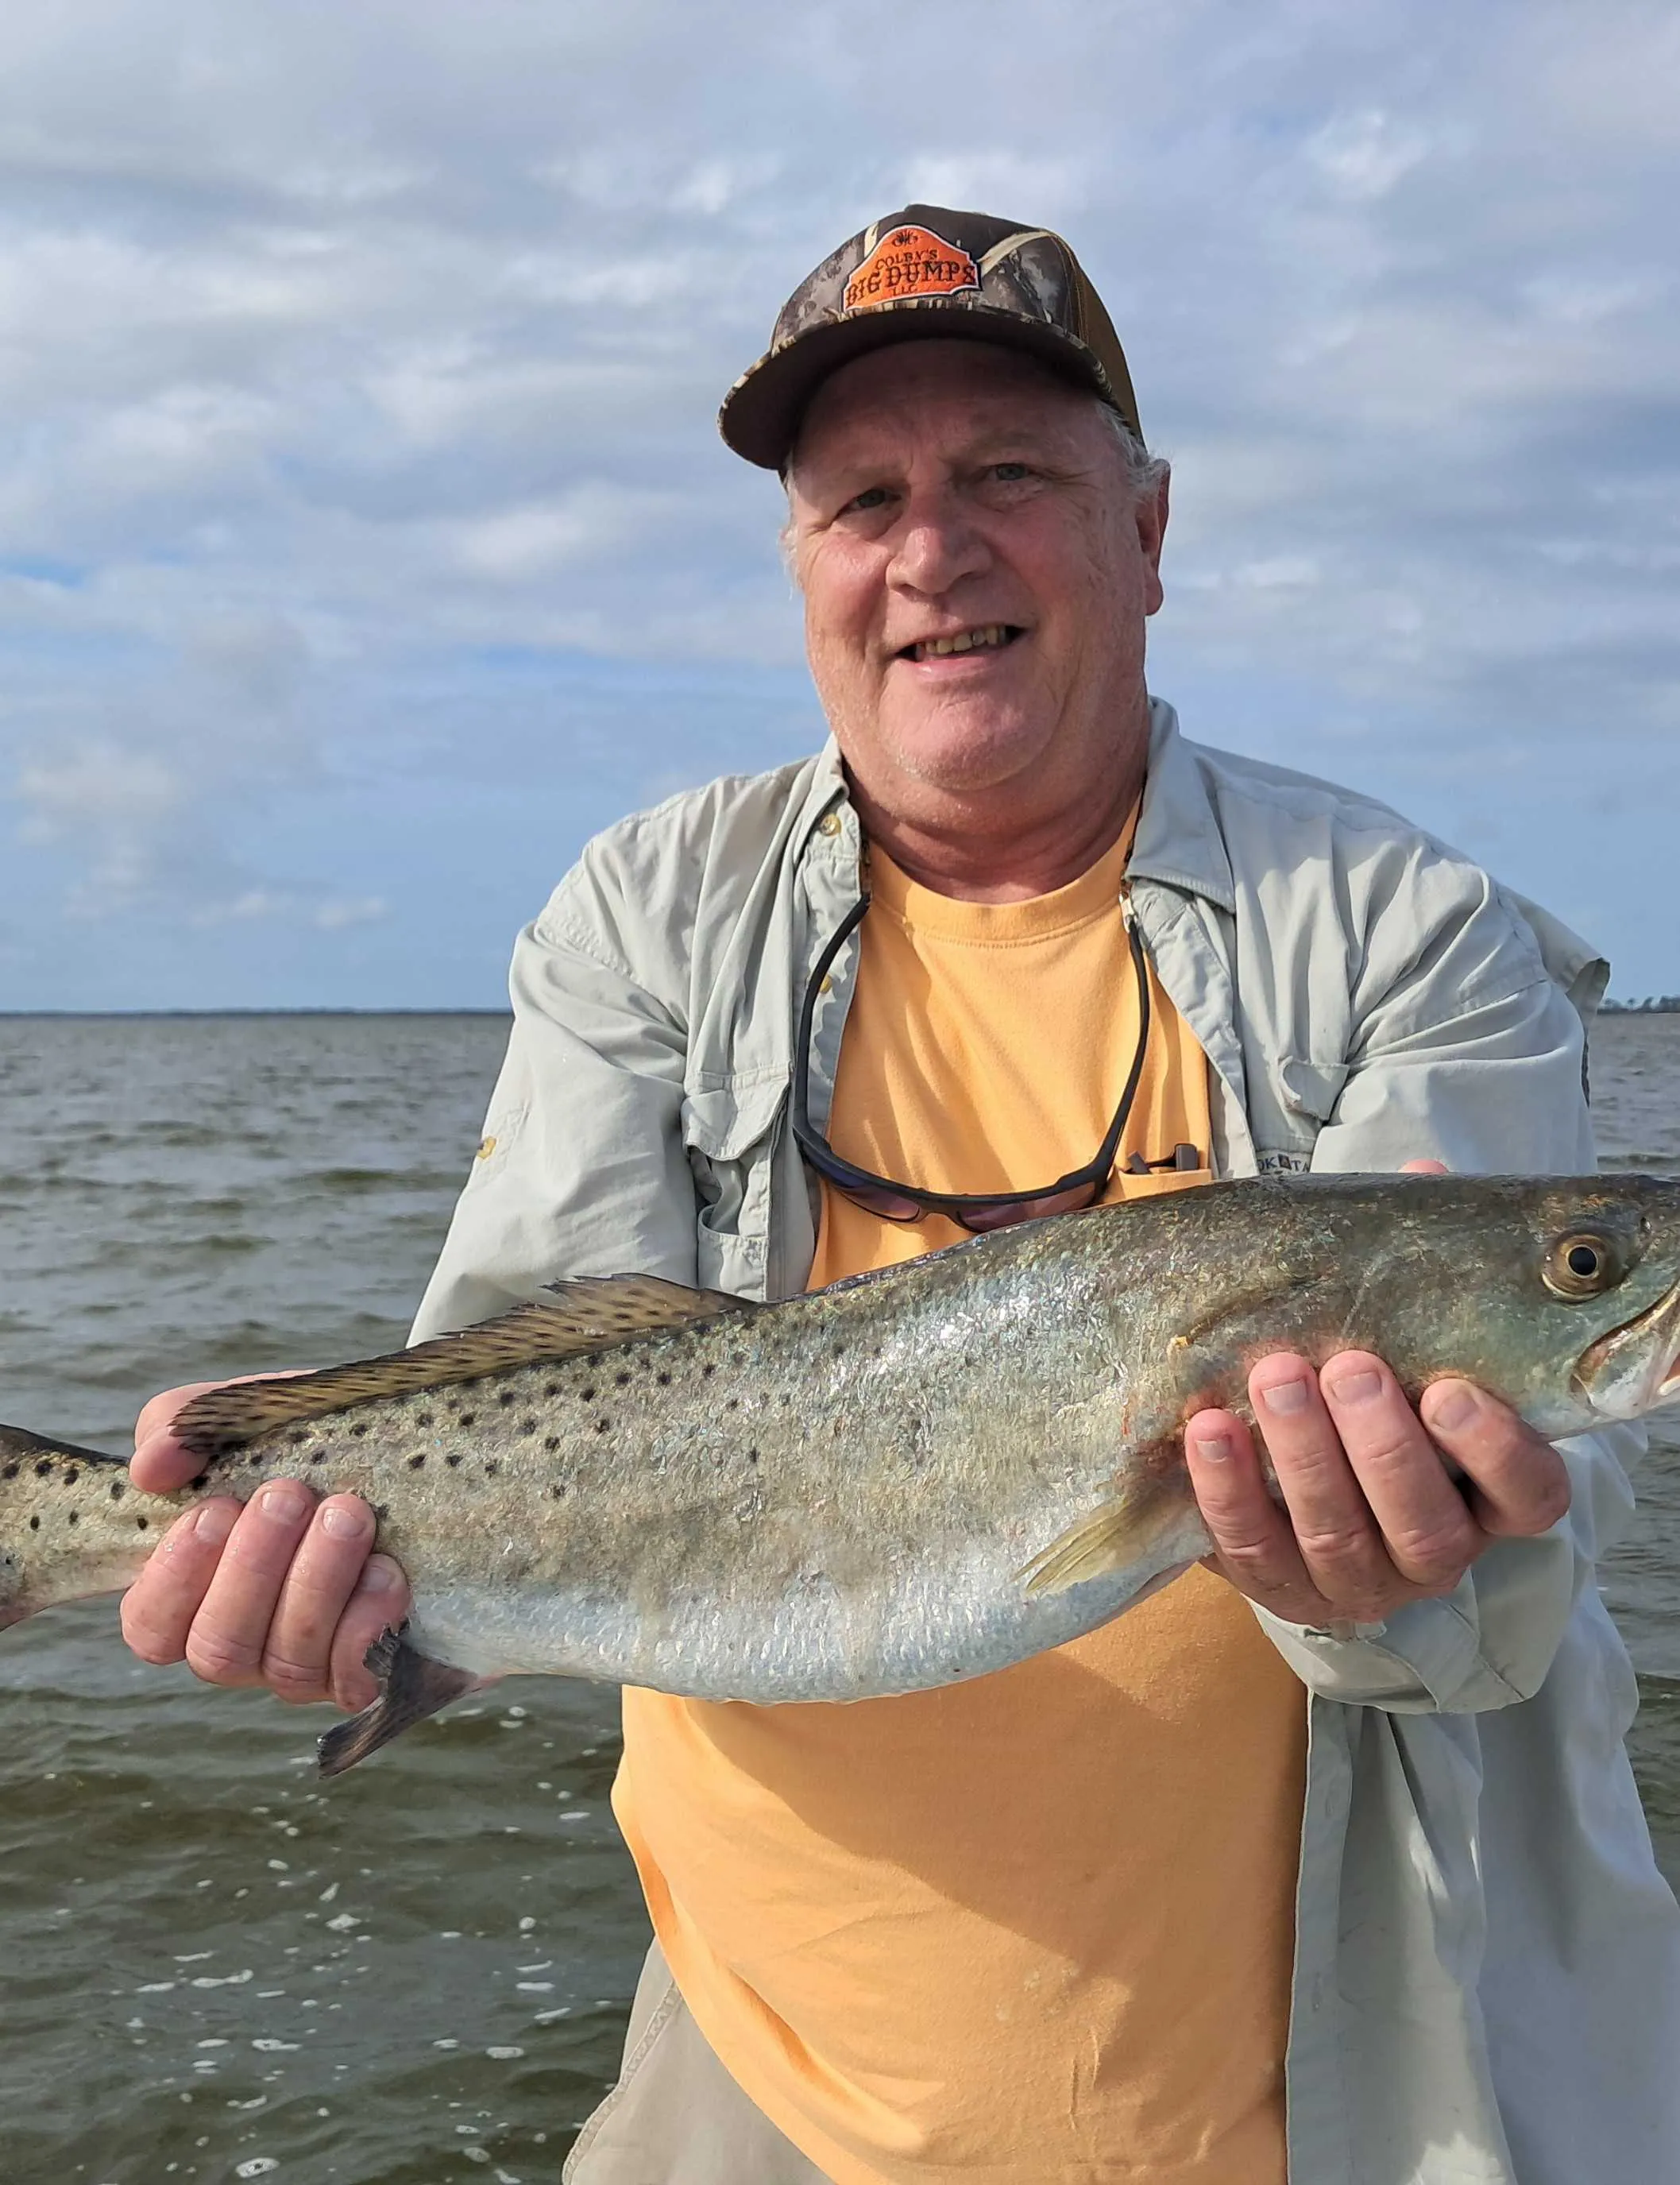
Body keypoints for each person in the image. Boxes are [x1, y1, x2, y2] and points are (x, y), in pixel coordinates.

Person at [121, 207, 1680, 2184]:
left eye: (1009, 475)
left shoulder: (1401, 927)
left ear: (1150, 529)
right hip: (762, 2089)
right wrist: (338, 1595)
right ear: (803, 567)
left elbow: (1511, 1585)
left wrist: (1394, 1575)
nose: (932, 551)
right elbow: (508, 1379)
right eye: (863, 497)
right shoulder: (644, 915)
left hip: (1343, 2105)